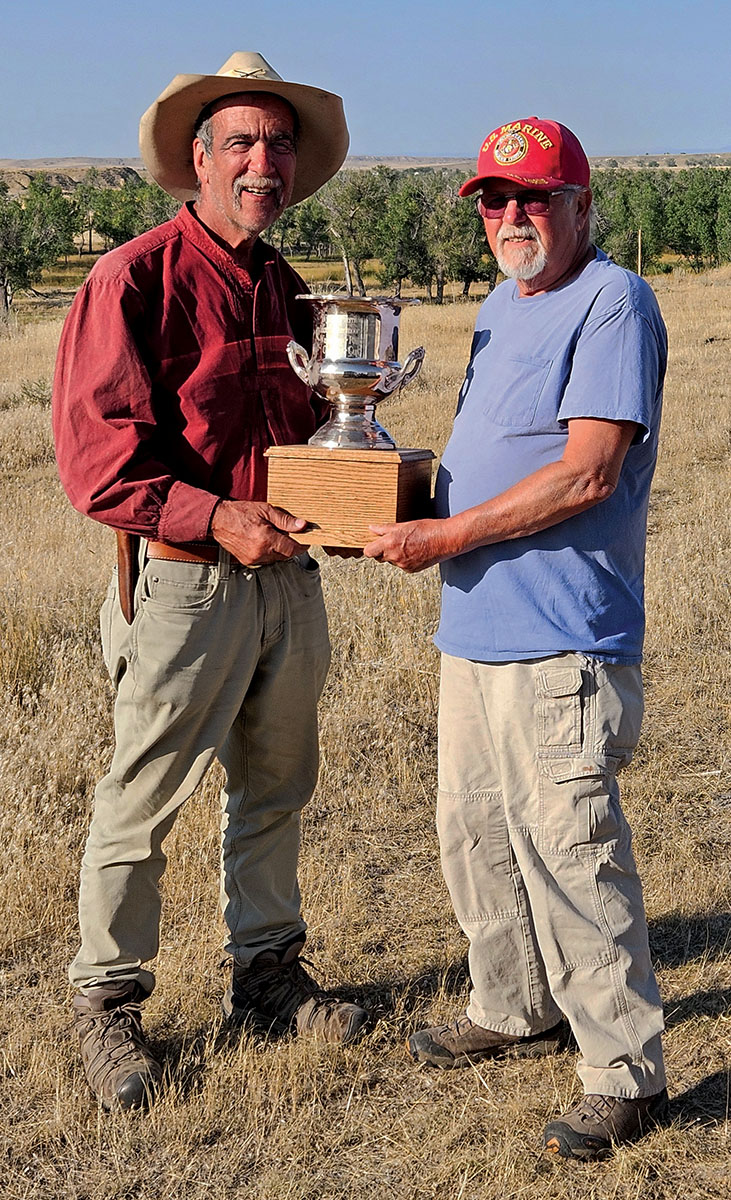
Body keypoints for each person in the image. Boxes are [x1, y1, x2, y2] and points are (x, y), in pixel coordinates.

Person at [52, 51, 367, 1112]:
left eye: (277, 145)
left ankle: (267, 977)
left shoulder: (283, 286)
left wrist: (362, 495)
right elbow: (100, 463)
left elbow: (309, 432)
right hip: (186, 581)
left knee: (276, 787)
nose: (261, 162)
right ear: (197, 159)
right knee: (143, 798)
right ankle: (109, 1004)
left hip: (288, 580)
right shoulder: (130, 279)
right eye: (239, 142)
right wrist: (215, 515)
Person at [364, 117, 669, 1161]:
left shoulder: (611, 301)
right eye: (493, 201)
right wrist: (380, 484)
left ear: (582, 206)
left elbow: (587, 470)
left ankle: (623, 1071)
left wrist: (443, 532)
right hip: (473, 628)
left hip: (560, 638)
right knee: (474, 834)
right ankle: (509, 1003)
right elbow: (484, 457)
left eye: (533, 198)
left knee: (570, 853)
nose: (509, 218)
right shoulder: (500, 306)